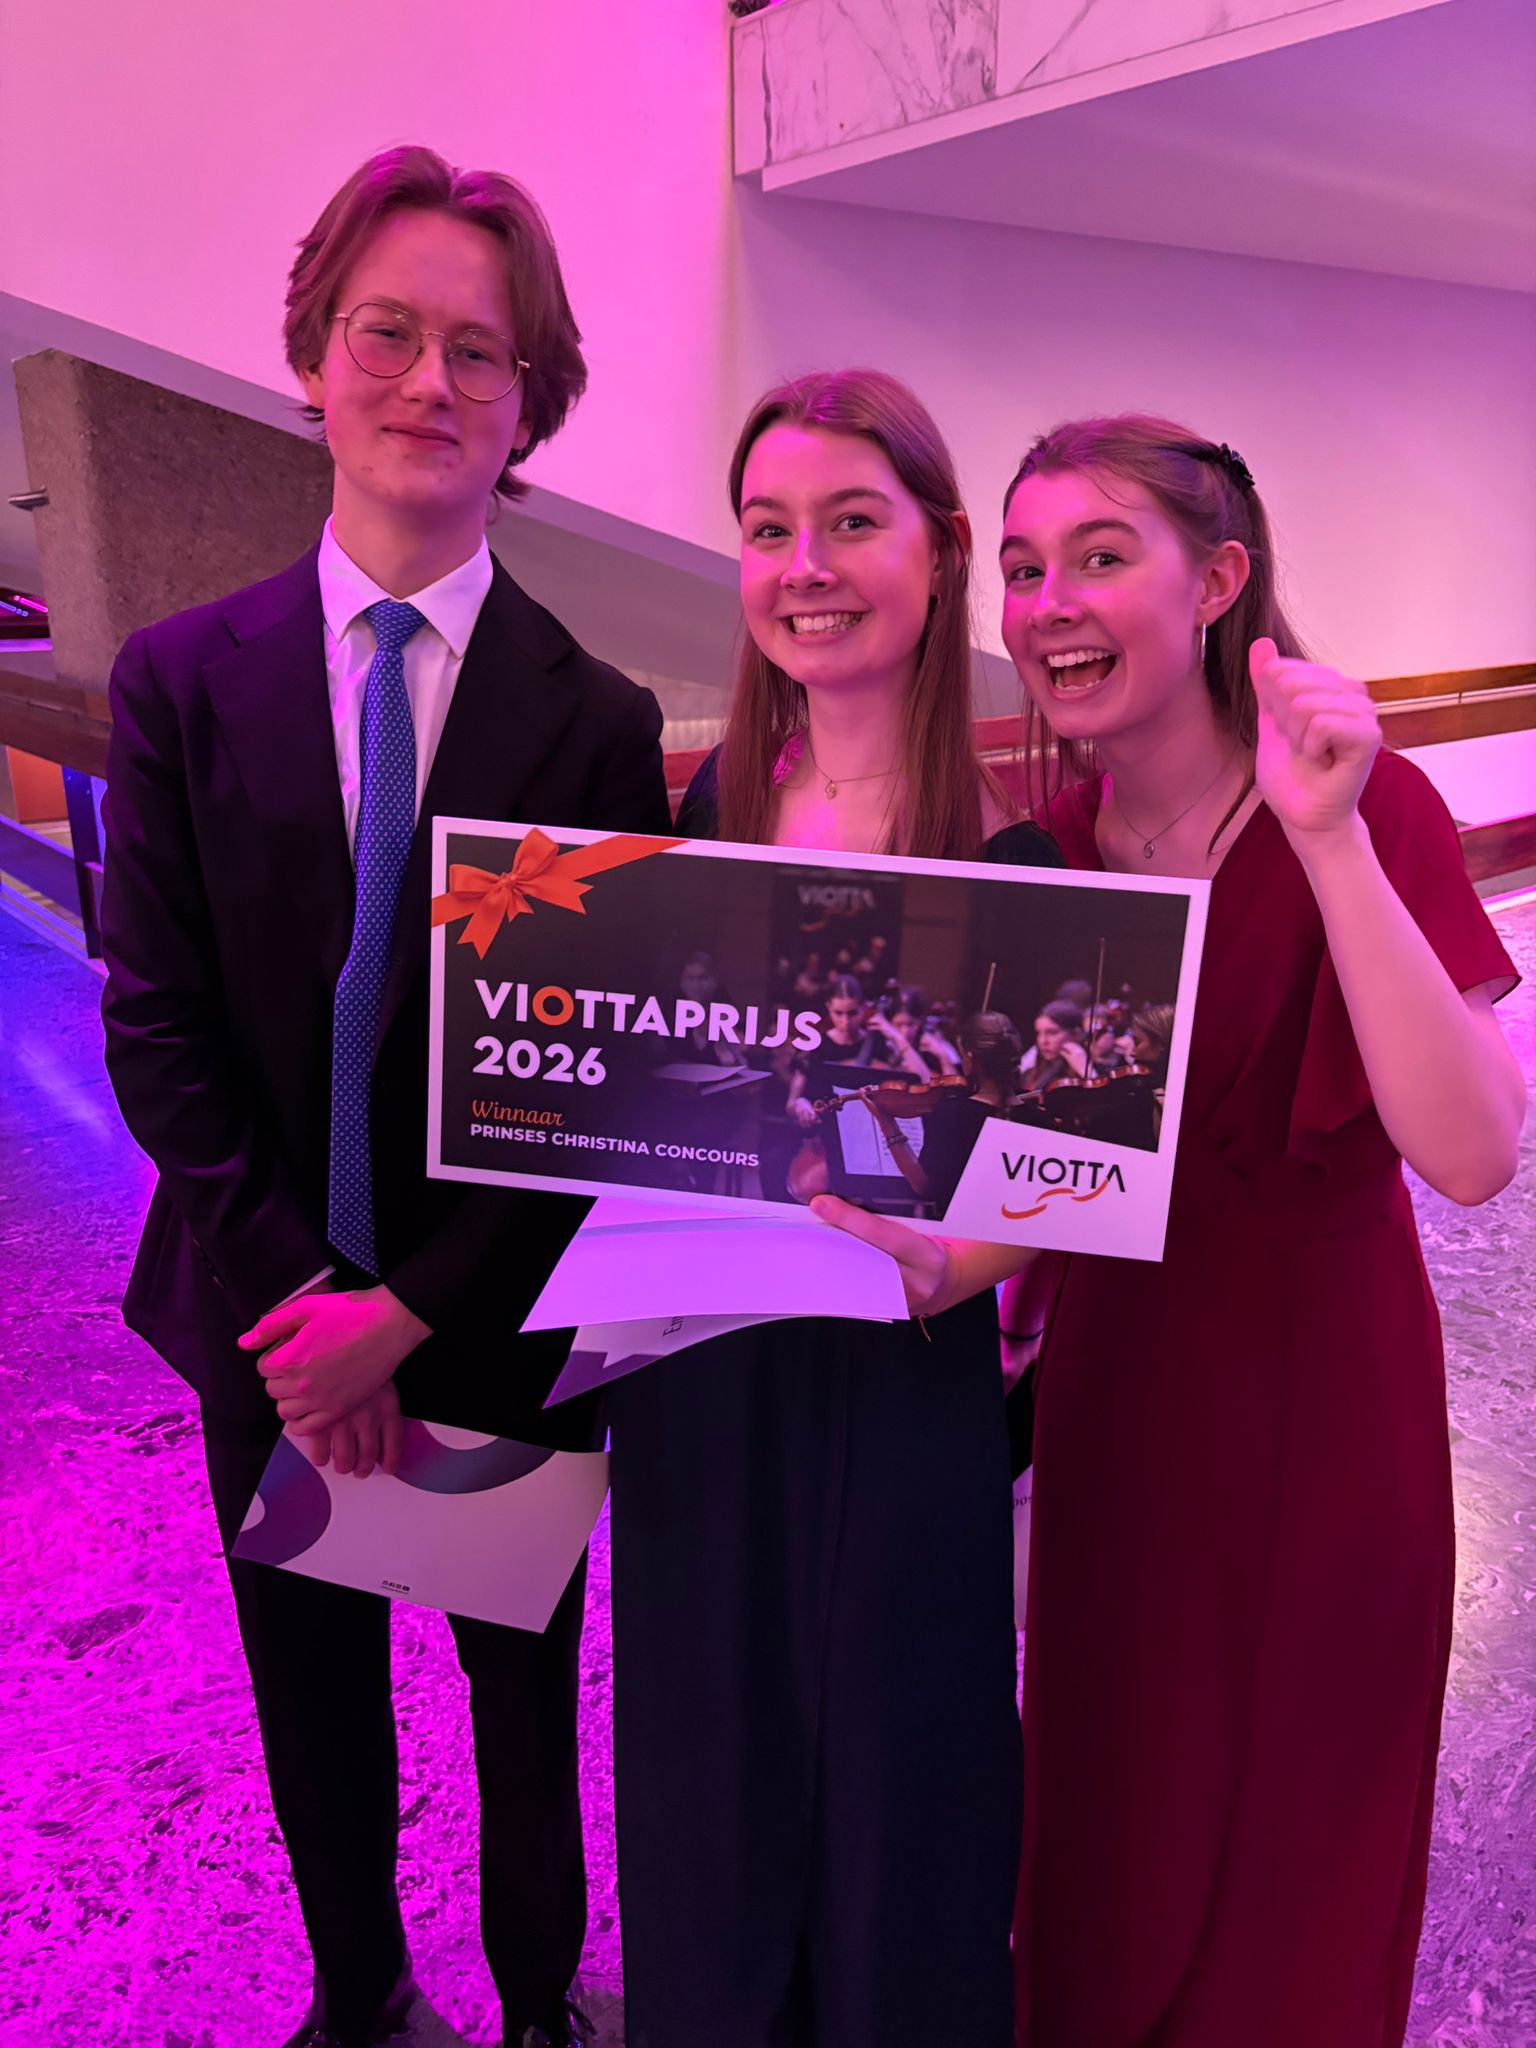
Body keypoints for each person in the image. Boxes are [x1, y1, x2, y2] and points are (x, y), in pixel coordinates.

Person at [98, 146, 669, 2048]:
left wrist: (406, 1312)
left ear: (529, 405)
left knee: (524, 1707)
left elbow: (588, 1085)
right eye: (387, 333)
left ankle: (537, 2006)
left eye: (478, 353)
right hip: (262, 1316)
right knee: (312, 1691)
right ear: (313, 359)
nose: (429, 381)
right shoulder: (181, 681)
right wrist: (306, 1315)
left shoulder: (594, 722)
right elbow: (159, 1028)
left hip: (493, 1315)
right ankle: (361, 2004)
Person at [995, 414, 1523, 2046]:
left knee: (1303, 1851)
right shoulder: (1043, 847)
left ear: (1219, 581)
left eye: (1099, 556)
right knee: (1105, 1833)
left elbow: (1473, 1150)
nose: (1048, 602)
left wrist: (1326, 834)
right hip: (1116, 1409)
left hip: (1323, 1408)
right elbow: (1022, 1173)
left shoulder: (1373, 804)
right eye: (1022, 566)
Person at [605, 368, 1062, 2048]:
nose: (805, 567)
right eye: (768, 528)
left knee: (899, 1816)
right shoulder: (691, 820)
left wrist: (952, 1262)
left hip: (903, 1387)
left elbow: (1059, 1189)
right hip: (701, 1393)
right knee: (707, 1805)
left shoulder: (1017, 864)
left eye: (851, 523)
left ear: (938, 551)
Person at [1018, 997, 1091, 1089]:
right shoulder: (1029, 1074)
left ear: (1075, 1034)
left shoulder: (1090, 1071)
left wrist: (1085, 1070)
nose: (1042, 1041)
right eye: (1038, 1033)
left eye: (1052, 1033)